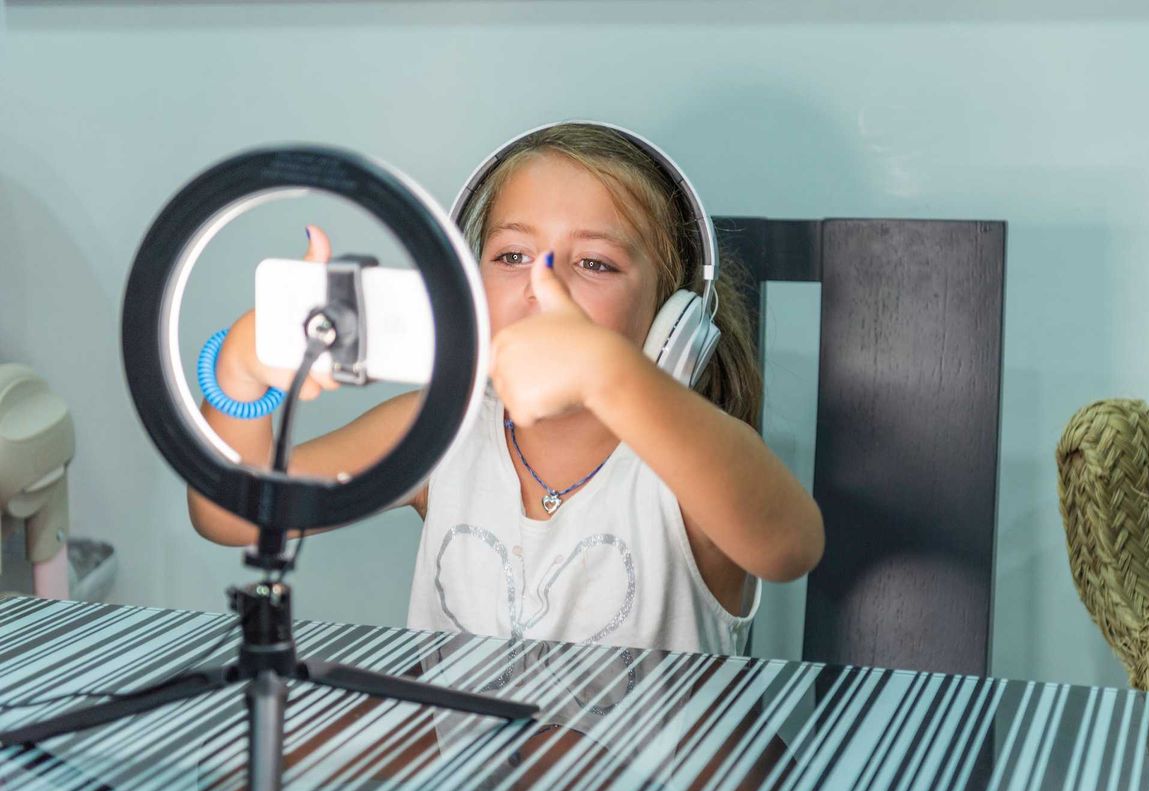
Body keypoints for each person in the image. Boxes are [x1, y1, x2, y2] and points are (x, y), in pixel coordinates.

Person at [188, 122, 823, 656]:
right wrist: (239, 377)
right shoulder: (442, 432)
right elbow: (231, 515)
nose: (542, 285)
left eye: (595, 263)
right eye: (513, 255)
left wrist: (612, 375)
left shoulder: (684, 464)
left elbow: (790, 545)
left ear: (669, 320)